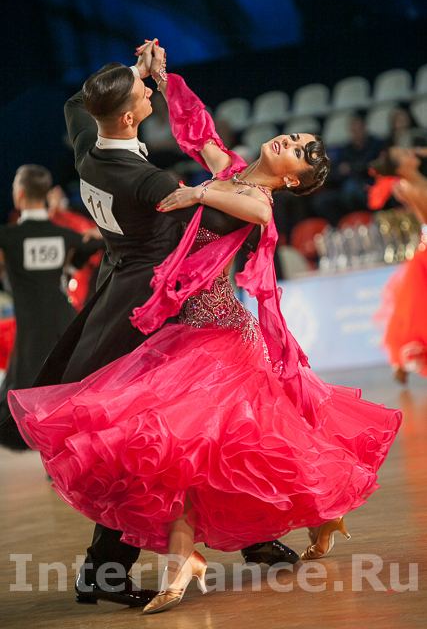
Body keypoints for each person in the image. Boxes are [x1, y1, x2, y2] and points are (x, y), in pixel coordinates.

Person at [9, 46, 401, 616]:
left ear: (293, 179)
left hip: (218, 334)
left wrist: (196, 192)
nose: (287, 141)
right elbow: (199, 134)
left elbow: (259, 214)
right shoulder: (229, 171)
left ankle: (249, 536)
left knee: (211, 446)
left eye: (297, 150)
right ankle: (255, 538)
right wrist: (162, 80)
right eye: (292, 137)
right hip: (182, 324)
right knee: (202, 447)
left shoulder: (254, 197)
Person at [24, 40, 298, 608]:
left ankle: (252, 537)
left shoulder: (87, 144)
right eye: (143, 92)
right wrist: (229, 187)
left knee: (211, 426)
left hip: (126, 290)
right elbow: (220, 210)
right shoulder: (146, 181)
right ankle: (105, 571)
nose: (150, 92)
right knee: (153, 442)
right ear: (128, 117)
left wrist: (135, 71)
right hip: (150, 312)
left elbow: (78, 102)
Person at [0, 165, 103, 450]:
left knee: (26, 386)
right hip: (62, 321)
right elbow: (96, 243)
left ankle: (35, 438)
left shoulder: (8, 238)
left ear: (20, 195)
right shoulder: (65, 236)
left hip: (30, 326)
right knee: (64, 386)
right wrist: (72, 265)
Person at [370, 147, 427, 383]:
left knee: (415, 307)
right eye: (405, 154)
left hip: (424, 245)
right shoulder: (412, 186)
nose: (411, 153)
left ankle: (403, 357)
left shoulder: (409, 183)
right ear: (402, 168)